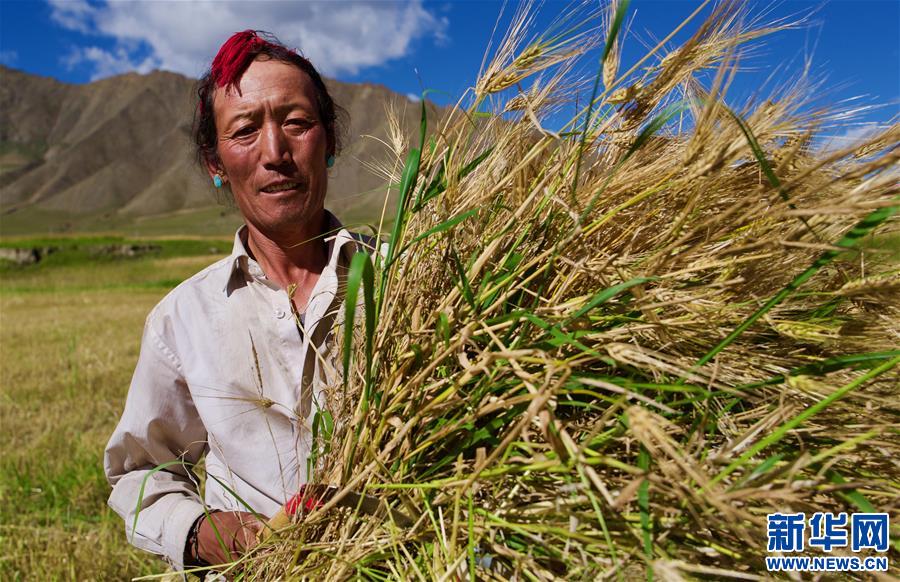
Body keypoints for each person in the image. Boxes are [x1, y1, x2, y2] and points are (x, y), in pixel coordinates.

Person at [104, 30, 367, 571]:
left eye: (297, 123)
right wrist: (197, 532)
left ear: (330, 141)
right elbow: (138, 471)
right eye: (245, 130)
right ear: (215, 164)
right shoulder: (182, 320)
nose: (275, 153)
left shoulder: (410, 278)